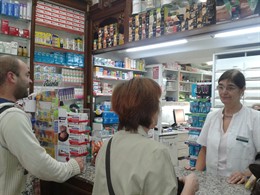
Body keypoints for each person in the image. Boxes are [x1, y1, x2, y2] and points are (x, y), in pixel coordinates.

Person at [93, 77, 199, 195]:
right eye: (157, 103)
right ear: (150, 110)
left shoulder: (107, 145)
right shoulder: (156, 152)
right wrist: (190, 185)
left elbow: (128, 182)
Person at [0, 55, 84, 195]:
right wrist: (72, 167)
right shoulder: (12, 116)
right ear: (11, 77)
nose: (30, 80)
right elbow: (40, 165)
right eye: (27, 75)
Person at [196, 69, 260, 184]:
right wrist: (195, 176)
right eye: (220, 87)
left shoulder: (255, 118)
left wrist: (247, 173)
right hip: (211, 183)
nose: (224, 92)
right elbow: (204, 150)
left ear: (242, 91)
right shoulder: (211, 116)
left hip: (239, 185)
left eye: (230, 88)